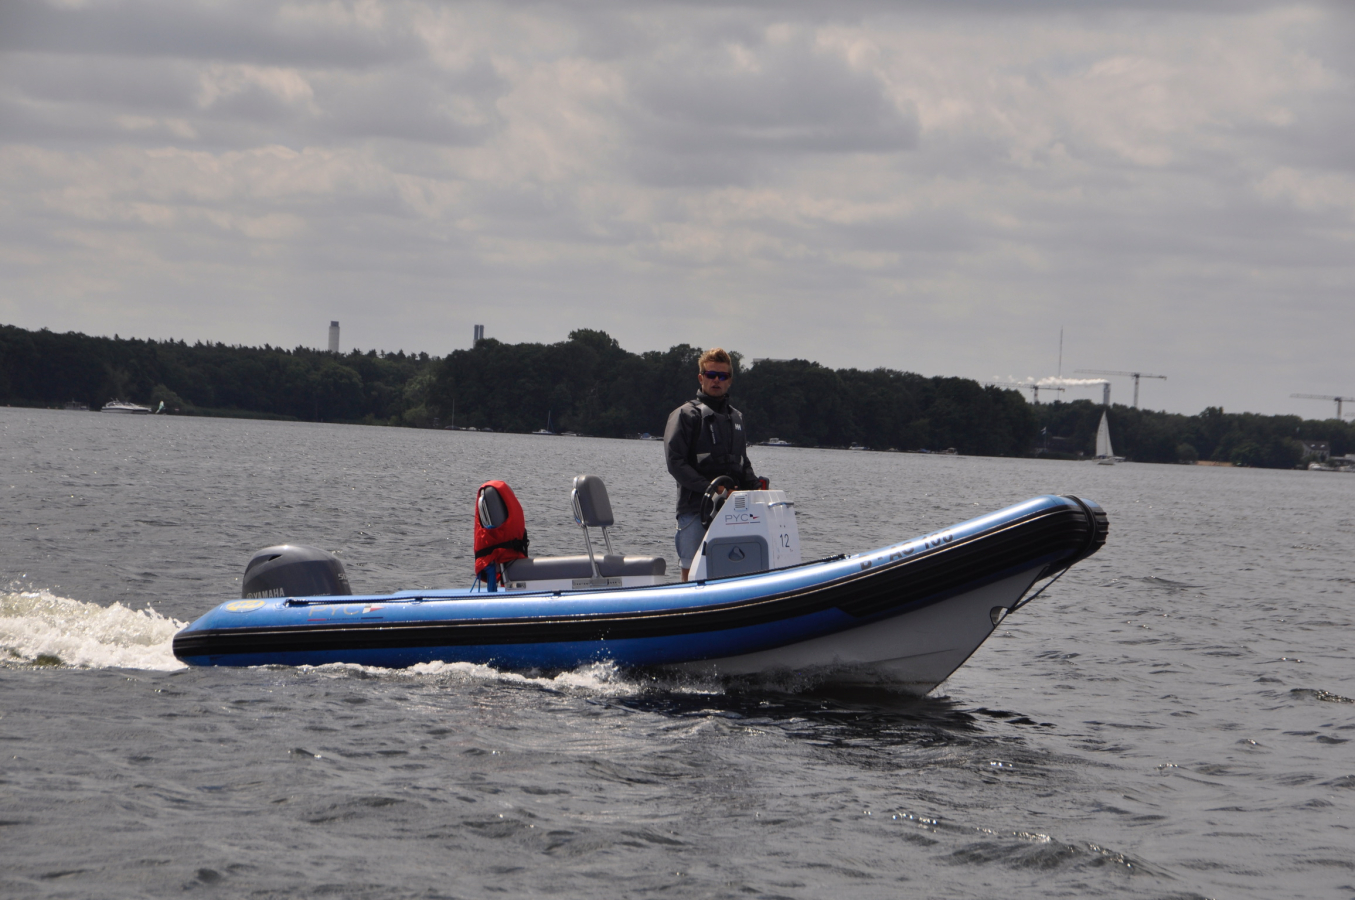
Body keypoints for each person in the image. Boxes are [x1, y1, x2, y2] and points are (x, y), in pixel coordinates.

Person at [664, 347, 761, 581]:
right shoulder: (685, 415)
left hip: (732, 510)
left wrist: (757, 490)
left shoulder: (737, 418)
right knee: (691, 568)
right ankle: (688, 600)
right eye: (711, 375)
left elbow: (742, 462)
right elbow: (676, 463)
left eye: (722, 376)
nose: (716, 380)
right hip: (694, 510)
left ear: (730, 380)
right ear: (701, 378)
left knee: (734, 566)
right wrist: (711, 488)